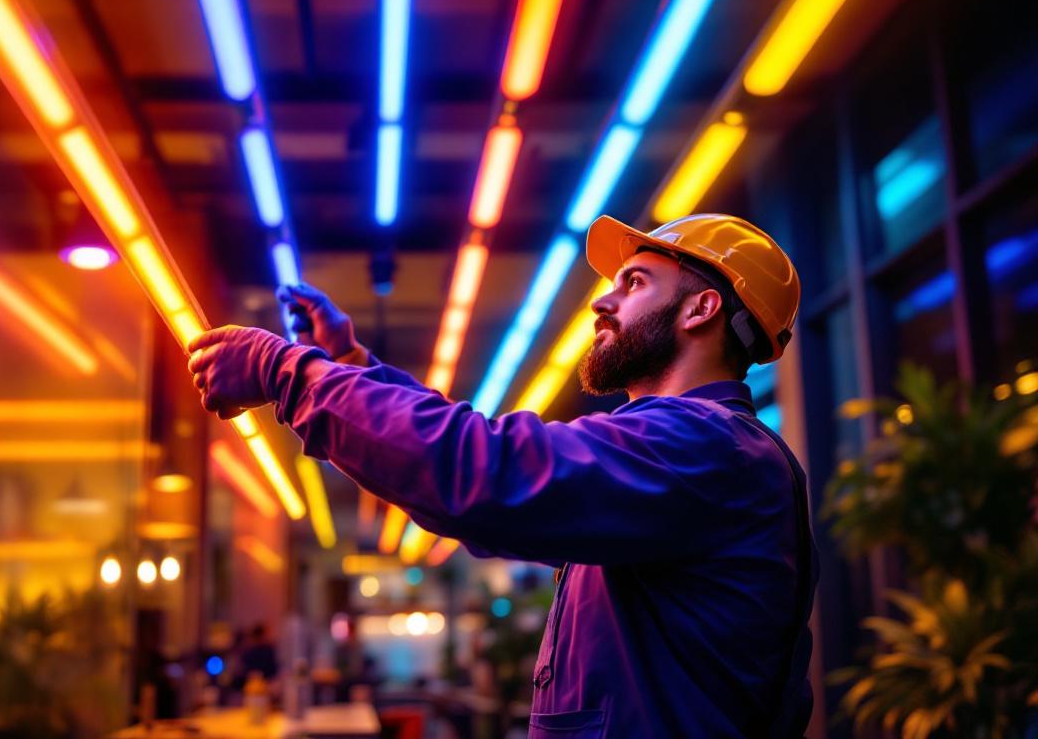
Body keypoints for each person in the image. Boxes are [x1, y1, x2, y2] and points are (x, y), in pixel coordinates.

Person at [187, 214, 818, 737]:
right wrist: (352, 366)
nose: (603, 300)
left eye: (633, 282)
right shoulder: (684, 452)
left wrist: (288, 372)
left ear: (701, 309)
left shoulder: (704, 448)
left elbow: (485, 472)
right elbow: (480, 466)